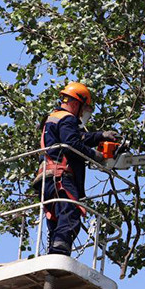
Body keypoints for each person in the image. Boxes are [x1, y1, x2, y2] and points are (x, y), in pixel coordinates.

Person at [38, 82, 119, 256]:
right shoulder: (68, 118)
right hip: (60, 176)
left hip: (47, 177)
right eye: (83, 109)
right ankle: (59, 253)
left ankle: (54, 253)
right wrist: (95, 156)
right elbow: (71, 144)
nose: (82, 114)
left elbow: (76, 137)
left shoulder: (54, 118)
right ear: (76, 103)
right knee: (70, 214)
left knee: (57, 218)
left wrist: (100, 136)